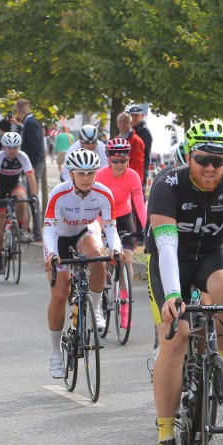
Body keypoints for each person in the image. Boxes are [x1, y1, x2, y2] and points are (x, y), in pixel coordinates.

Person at [148, 119, 223, 445]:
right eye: (203, 160)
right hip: (173, 260)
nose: (212, 168)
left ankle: (220, 363)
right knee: (176, 337)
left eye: (219, 160)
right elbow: (167, 247)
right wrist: (172, 296)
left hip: (212, 254)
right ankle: (166, 432)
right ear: (188, 156)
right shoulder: (167, 184)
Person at [44, 148, 122, 378]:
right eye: (81, 173)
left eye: (91, 173)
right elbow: (48, 228)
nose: (87, 178)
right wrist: (50, 253)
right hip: (58, 236)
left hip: (83, 233)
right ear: (71, 174)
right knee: (60, 294)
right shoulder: (59, 193)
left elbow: (110, 228)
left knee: (98, 258)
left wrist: (116, 249)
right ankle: (55, 352)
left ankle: (95, 307)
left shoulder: (103, 193)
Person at [95, 138, 147, 327]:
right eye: (115, 160)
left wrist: (147, 226)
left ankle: (125, 306)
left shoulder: (133, 176)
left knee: (127, 259)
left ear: (128, 159)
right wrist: (97, 231)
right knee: (101, 257)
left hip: (124, 218)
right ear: (108, 159)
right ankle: (99, 299)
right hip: (102, 217)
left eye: (123, 160)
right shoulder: (100, 176)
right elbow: (93, 205)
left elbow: (139, 204)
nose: (119, 164)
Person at [0, 132, 37, 269]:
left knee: (22, 198)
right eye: (9, 148)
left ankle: (20, 228)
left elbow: (30, 176)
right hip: (0, 187)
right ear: (4, 147)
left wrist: (33, 195)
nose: (12, 151)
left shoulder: (22, 157)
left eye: (15, 147)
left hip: (15, 185)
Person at [11, 99, 45, 242]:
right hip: (34, 163)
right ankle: (33, 230)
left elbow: (35, 144)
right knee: (31, 197)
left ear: (19, 111)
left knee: (31, 197)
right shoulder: (30, 122)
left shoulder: (30, 123)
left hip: (33, 164)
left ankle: (36, 231)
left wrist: (29, 166)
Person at [115, 112, 146, 185]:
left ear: (131, 123)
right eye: (120, 121)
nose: (122, 124)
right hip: (117, 178)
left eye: (125, 121)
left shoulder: (137, 141)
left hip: (130, 180)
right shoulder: (116, 140)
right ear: (117, 123)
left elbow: (136, 164)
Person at [126, 104, 153, 185]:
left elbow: (137, 152)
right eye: (132, 115)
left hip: (139, 168)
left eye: (136, 115)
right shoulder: (128, 131)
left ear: (142, 116)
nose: (134, 118)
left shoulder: (144, 132)